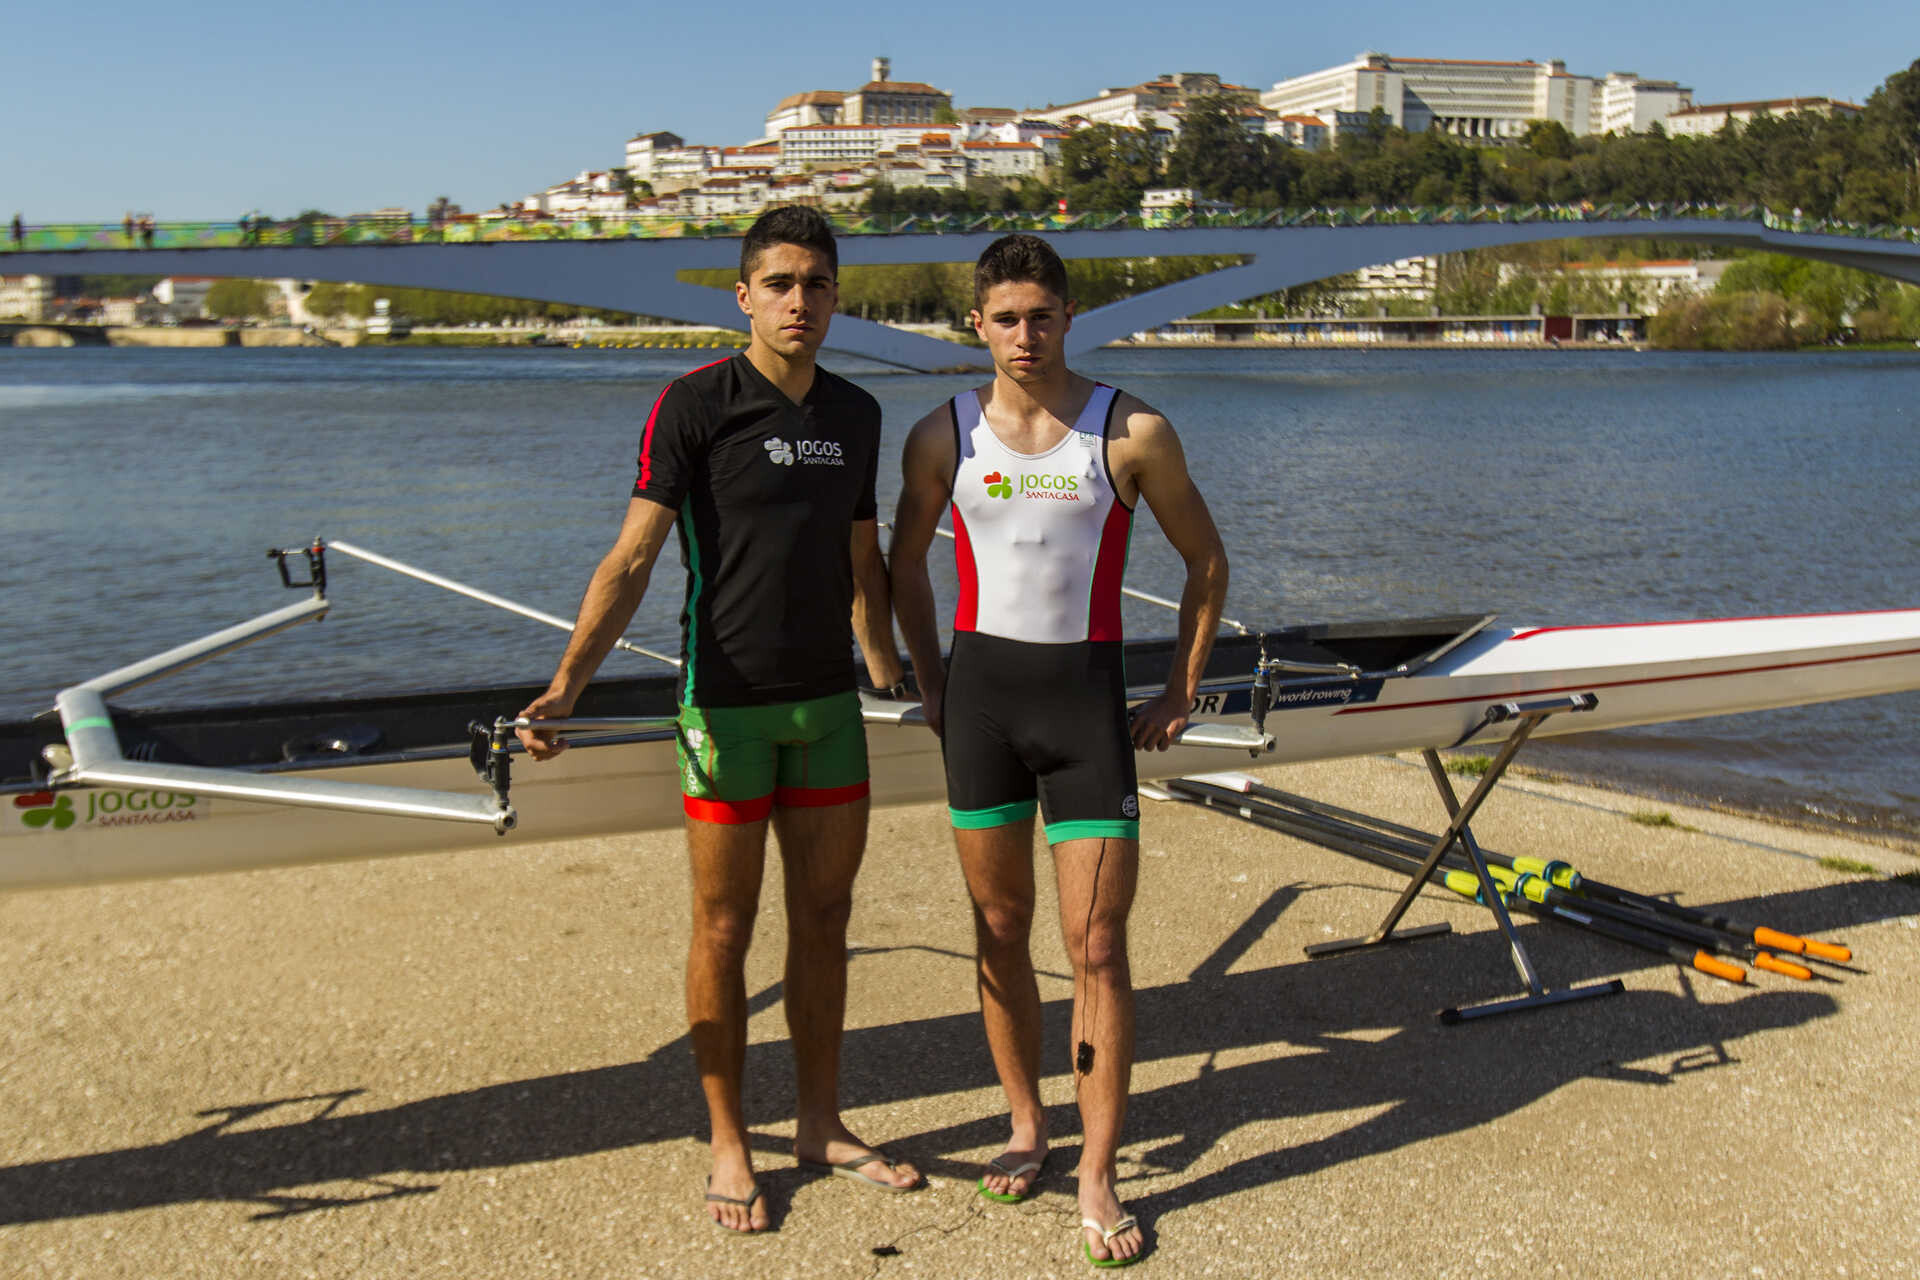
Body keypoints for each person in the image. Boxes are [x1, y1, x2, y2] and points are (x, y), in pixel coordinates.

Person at [515, 204, 922, 1233]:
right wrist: (567, 685)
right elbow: (635, 556)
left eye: (817, 284)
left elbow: (861, 560)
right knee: (725, 924)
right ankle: (730, 1134)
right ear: (743, 295)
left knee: (826, 918)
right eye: (780, 283)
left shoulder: (857, 413)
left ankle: (821, 1121)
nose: (800, 301)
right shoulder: (693, 404)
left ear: (837, 297)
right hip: (724, 708)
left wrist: (894, 674)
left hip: (826, 703)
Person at [889, 234, 1228, 1267]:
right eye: (1005, 317)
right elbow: (903, 560)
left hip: (1085, 712)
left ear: (1069, 317)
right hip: (983, 708)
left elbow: (1206, 560)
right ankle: (1026, 1123)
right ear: (978, 325)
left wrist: (1178, 685)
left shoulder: (1130, 431)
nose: (1024, 335)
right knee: (998, 928)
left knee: (1096, 948)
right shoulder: (942, 432)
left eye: (1042, 315)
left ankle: (1096, 1165)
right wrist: (931, 676)